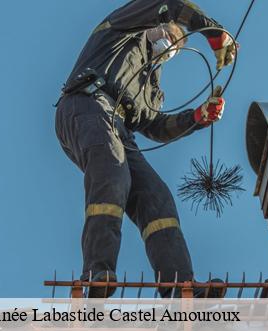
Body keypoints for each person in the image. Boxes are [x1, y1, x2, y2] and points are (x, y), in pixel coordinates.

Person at [54, 0, 238, 298]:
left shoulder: (150, 86)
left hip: (119, 127)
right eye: (169, 35)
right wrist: (212, 31)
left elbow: (154, 125)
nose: (169, 45)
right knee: (113, 174)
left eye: (175, 47)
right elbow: (169, 4)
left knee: (156, 198)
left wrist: (197, 117)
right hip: (86, 104)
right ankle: (98, 271)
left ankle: (179, 287)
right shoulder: (122, 27)